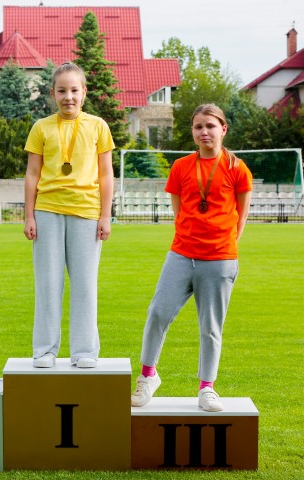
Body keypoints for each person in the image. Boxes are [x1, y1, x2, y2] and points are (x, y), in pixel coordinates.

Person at [130, 103, 252, 411]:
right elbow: (178, 210)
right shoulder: (182, 167)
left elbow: (241, 215)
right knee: (158, 312)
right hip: (182, 254)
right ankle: (148, 376)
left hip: (220, 258)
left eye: (210, 126)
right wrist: (190, 239)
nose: (204, 131)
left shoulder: (237, 168)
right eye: (198, 126)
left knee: (210, 327)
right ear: (193, 132)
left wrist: (223, 246)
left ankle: (207, 388)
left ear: (223, 129)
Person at [23, 62, 115, 369]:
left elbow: (106, 174)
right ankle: (45, 351)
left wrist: (105, 215)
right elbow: (32, 174)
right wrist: (29, 216)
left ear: (84, 92)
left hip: (87, 213)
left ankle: (84, 351)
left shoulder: (98, 126)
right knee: (48, 284)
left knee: (85, 285)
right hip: (47, 211)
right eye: (62, 91)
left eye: (74, 90)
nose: (68, 97)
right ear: (52, 93)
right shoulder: (41, 128)